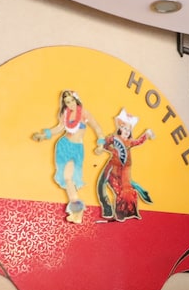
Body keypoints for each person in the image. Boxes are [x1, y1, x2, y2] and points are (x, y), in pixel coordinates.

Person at [32, 90, 104, 223]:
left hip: (76, 149)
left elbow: (97, 128)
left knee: (68, 178)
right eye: (67, 102)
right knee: (67, 179)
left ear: (76, 100)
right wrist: (44, 135)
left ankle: (77, 211)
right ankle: (77, 212)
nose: (70, 104)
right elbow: (59, 128)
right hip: (64, 146)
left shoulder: (84, 113)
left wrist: (100, 144)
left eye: (71, 101)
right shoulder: (65, 114)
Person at [95, 108, 154, 221]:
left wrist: (147, 134)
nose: (127, 131)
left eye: (129, 129)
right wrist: (106, 149)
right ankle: (107, 209)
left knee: (124, 191)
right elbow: (105, 143)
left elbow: (139, 141)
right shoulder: (113, 138)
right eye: (125, 128)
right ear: (120, 128)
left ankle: (124, 213)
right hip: (112, 168)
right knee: (101, 184)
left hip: (124, 170)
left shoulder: (130, 142)